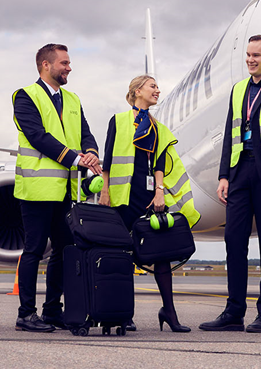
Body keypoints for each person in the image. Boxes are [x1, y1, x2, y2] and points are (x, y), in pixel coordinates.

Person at [200, 35, 261, 333]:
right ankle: (234, 311)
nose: (250, 60)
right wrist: (223, 176)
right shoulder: (238, 89)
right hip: (239, 171)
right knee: (234, 241)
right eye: (248, 55)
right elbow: (230, 134)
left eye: (256, 55)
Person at [98, 75, 201, 332]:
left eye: (157, 87)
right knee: (122, 257)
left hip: (148, 197)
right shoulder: (119, 121)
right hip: (122, 197)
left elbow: (159, 165)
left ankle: (169, 312)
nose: (158, 90)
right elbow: (108, 159)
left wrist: (159, 192)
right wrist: (105, 191)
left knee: (161, 254)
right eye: (153, 86)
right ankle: (124, 314)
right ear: (137, 90)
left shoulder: (157, 127)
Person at [12, 43, 102, 332]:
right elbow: (38, 136)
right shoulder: (26, 96)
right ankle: (26, 314)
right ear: (46, 65)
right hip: (37, 190)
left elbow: (85, 133)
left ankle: (52, 310)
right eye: (64, 63)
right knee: (34, 250)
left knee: (65, 250)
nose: (69, 67)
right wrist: (77, 158)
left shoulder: (73, 100)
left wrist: (91, 153)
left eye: (69, 62)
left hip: (66, 191)